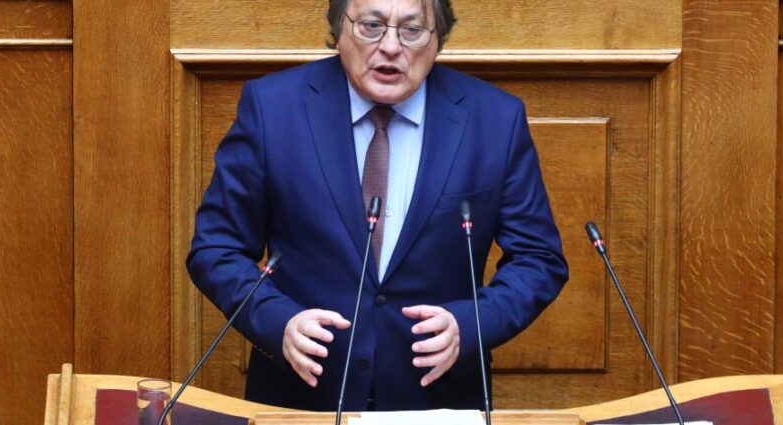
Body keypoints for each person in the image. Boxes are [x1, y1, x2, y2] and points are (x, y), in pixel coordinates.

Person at [187, 0, 568, 412]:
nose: (390, 46)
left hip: (437, 399)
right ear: (340, 30)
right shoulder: (272, 108)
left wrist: (472, 325)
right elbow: (216, 248)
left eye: (411, 30)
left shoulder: (495, 120)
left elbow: (538, 258)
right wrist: (277, 321)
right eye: (371, 26)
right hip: (301, 398)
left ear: (437, 39)